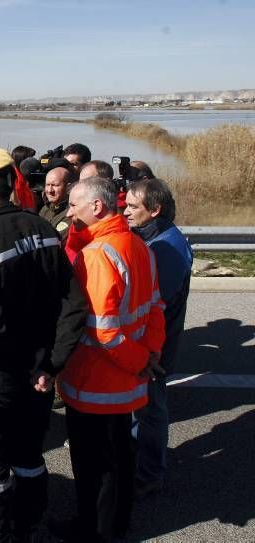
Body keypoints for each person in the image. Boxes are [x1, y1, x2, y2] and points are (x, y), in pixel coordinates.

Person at [0, 148, 87, 542]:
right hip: (39, 377)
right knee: (30, 456)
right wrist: (51, 365)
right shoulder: (43, 229)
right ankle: (28, 526)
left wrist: (23, 368)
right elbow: (74, 304)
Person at [55, 177, 165, 542]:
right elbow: (155, 309)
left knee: (94, 468)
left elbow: (105, 332)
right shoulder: (138, 245)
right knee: (120, 458)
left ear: (97, 208)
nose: (69, 212)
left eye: (74, 205)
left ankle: (95, 532)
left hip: (94, 385)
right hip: (126, 383)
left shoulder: (98, 255)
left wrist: (139, 361)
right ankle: (118, 524)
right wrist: (149, 355)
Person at [124, 178, 193, 497]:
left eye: (132, 206)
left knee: (150, 410)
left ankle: (150, 473)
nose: (125, 211)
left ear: (155, 210)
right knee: (143, 408)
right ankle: (140, 461)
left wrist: (142, 352)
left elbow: (153, 305)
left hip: (154, 350)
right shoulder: (155, 237)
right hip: (148, 347)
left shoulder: (168, 249)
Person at [39, 166, 77, 239]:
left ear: (68, 187)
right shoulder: (45, 209)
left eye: (55, 185)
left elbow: (57, 239)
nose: (50, 190)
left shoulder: (72, 212)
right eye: (47, 185)